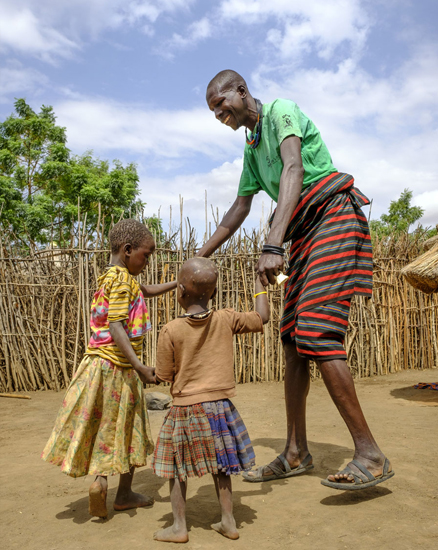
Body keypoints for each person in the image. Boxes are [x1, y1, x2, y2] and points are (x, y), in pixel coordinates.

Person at [199, 69, 394, 490]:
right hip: (304, 233)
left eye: (222, 103)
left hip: (332, 216)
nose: (219, 114)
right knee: (292, 341)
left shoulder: (280, 112)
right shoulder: (251, 149)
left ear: (242, 91)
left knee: (317, 332)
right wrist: (200, 255)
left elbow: (293, 168)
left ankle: (370, 454)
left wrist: (272, 243)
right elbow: (239, 208)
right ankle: (294, 451)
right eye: (213, 110)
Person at [42, 219, 177, 518]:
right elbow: (116, 326)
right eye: (147, 254)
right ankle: (124, 493)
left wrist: (179, 282)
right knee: (128, 429)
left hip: (98, 367)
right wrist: (139, 366)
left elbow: (149, 290)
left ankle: (100, 482)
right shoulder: (121, 281)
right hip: (118, 368)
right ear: (128, 250)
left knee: (103, 426)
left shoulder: (114, 277)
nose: (149, 260)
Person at [152, 257, 269, 543]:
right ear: (214, 293)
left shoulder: (170, 330)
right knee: (222, 464)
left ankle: (179, 527)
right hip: (219, 407)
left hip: (184, 410)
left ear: (179, 291)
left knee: (178, 469)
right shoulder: (226, 319)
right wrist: (260, 284)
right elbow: (261, 317)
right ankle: (228, 521)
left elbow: (164, 375)